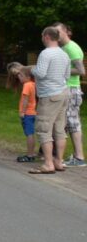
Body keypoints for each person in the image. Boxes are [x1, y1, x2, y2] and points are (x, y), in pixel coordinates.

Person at [29, 26, 70, 174]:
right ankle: (59, 161)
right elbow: (67, 75)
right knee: (59, 129)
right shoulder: (64, 54)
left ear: (46, 36)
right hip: (63, 93)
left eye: (42, 35)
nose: (41, 38)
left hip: (49, 95)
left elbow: (40, 73)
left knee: (44, 129)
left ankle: (48, 164)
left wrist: (29, 69)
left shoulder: (46, 53)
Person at [54, 22, 87, 167]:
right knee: (66, 122)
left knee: (72, 122)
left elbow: (81, 71)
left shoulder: (71, 48)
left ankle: (79, 158)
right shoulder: (63, 48)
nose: (56, 35)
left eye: (58, 32)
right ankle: (58, 155)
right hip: (65, 89)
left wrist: (59, 70)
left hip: (71, 89)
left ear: (67, 32)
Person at [8, 63, 38, 164]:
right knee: (31, 134)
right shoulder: (33, 84)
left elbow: (25, 100)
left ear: (28, 77)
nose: (18, 77)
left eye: (20, 75)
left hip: (28, 113)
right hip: (34, 112)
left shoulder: (26, 85)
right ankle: (32, 153)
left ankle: (30, 155)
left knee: (29, 134)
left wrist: (22, 112)